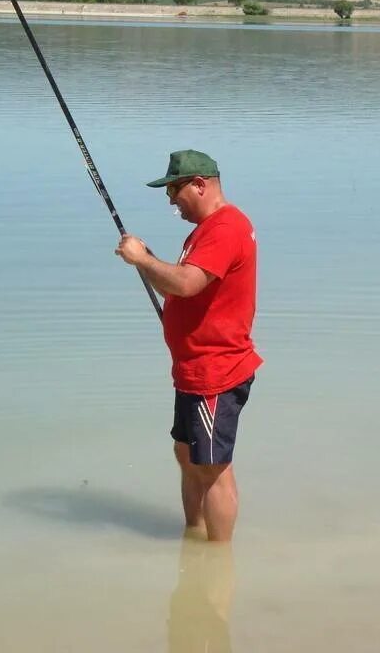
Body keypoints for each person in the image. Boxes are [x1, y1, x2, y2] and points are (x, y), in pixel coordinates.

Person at [115, 150, 262, 542]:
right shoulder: (207, 228)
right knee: (186, 454)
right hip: (192, 368)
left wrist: (141, 261)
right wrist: (148, 259)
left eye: (174, 190)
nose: (171, 200)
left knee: (213, 468)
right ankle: (192, 538)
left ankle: (218, 557)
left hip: (216, 370)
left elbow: (185, 284)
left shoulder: (226, 227)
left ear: (200, 184)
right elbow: (185, 280)